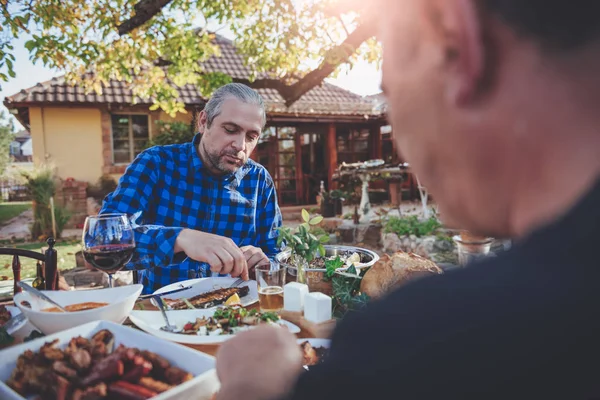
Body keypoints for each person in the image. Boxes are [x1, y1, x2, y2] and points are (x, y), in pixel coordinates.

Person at [215, 0, 600, 398]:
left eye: (390, 95)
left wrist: (253, 386)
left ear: (458, 43)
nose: (398, 135)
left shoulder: (432, 339)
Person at [101, 83, 282, 293]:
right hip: (160, 313)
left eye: (251, 137)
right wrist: (180, 239)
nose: (241, 145)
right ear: (203, 122)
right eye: (230, 130)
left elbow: (279, 253)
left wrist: (267, 264)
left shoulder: (259, 181)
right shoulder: (156, 163)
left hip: (237, 314)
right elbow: (106, 240)